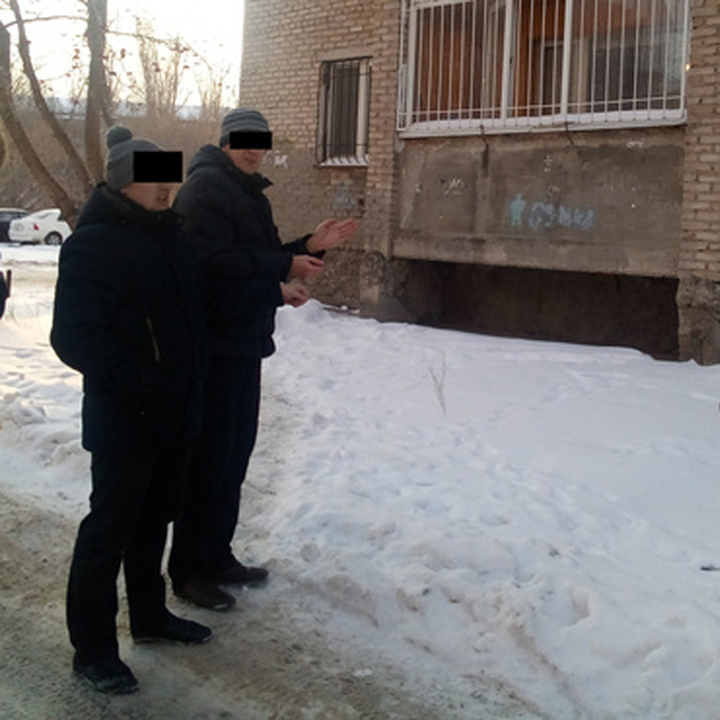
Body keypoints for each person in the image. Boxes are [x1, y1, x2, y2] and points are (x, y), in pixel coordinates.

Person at [169, 108, 358, 610]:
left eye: (260, 142)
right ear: (225, 141)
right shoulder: (205, 190)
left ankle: (217, 556)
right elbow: (210, 270)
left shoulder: (247, 192)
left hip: (243, 344)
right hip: (215, 348)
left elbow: (259, 259)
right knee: (208, 462)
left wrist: (307, 247)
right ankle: (189, 571)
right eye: (244, 141)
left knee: (233, 458)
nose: (254, 150)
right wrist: (278, 276)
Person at [51, 127, 212, 695]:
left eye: (169, 176)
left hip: (174, 411)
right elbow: (74, 336)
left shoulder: (170, 237)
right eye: (152, 177)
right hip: (126, 416)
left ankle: (150, 616)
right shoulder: (93, 243)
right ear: (122, 182)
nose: (166, 187)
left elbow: (194, 311)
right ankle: (93, 650)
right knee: (109, 530)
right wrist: (138, 382)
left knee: (154, 521)